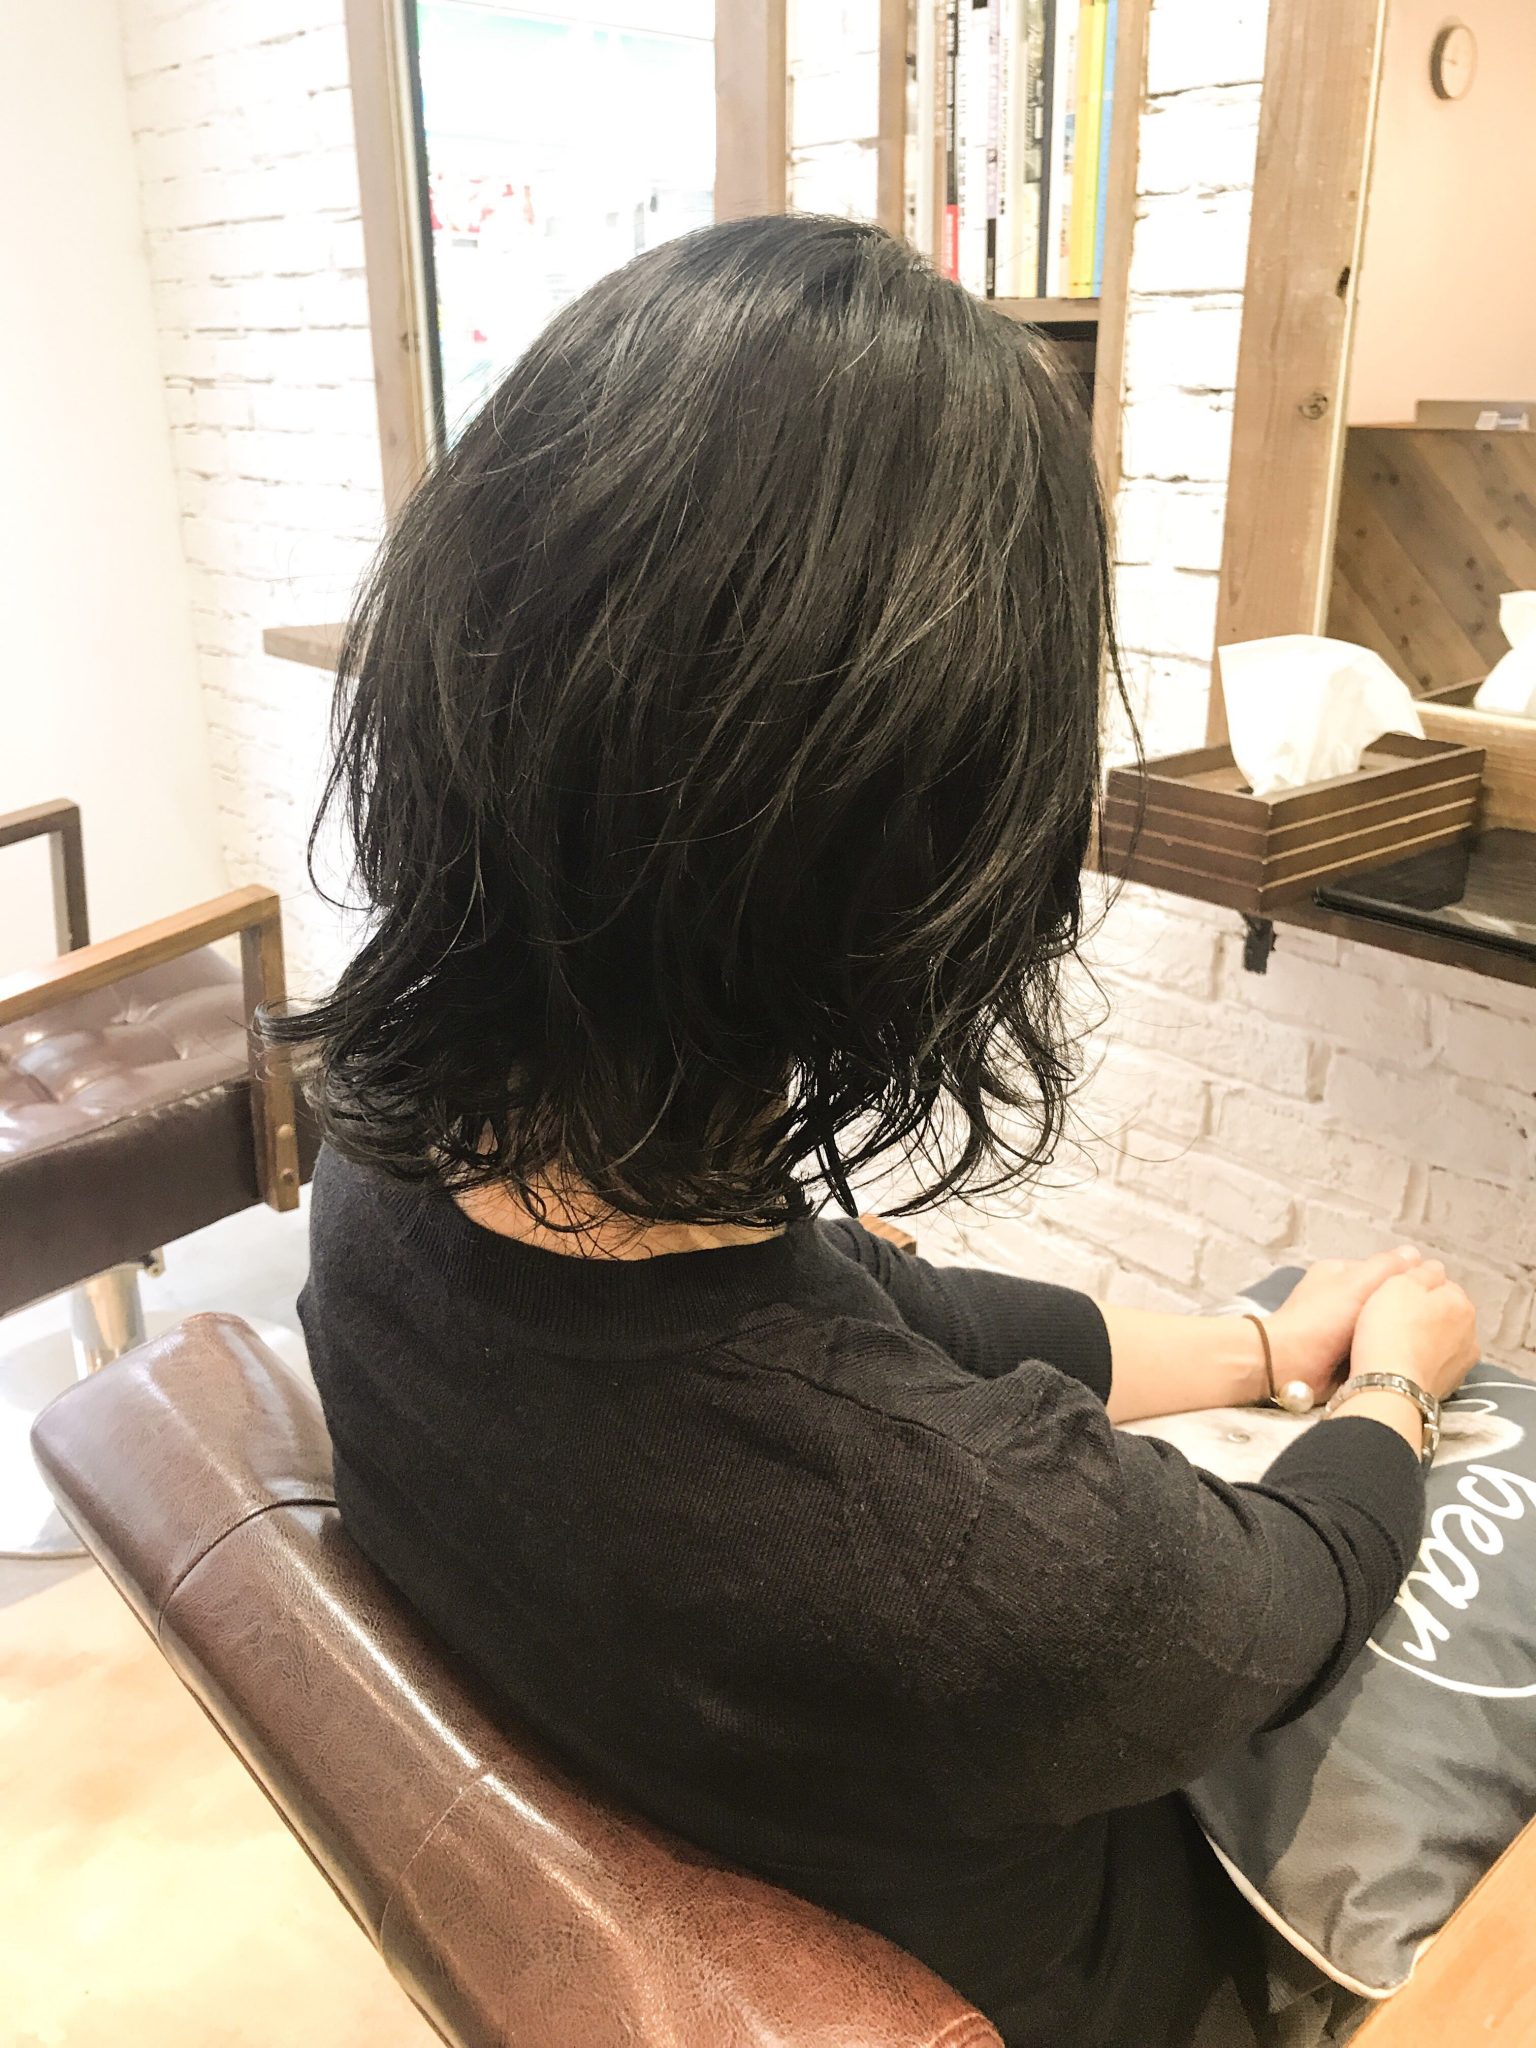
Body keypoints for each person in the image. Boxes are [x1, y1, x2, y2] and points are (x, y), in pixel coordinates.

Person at [279, 216, 1479, 2047]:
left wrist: (1257, 1346)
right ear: (930, 842)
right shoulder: (989, 1567)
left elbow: (864, 1309)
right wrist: (1396, 1381)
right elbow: (1287, 1594)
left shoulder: (380, 1155)